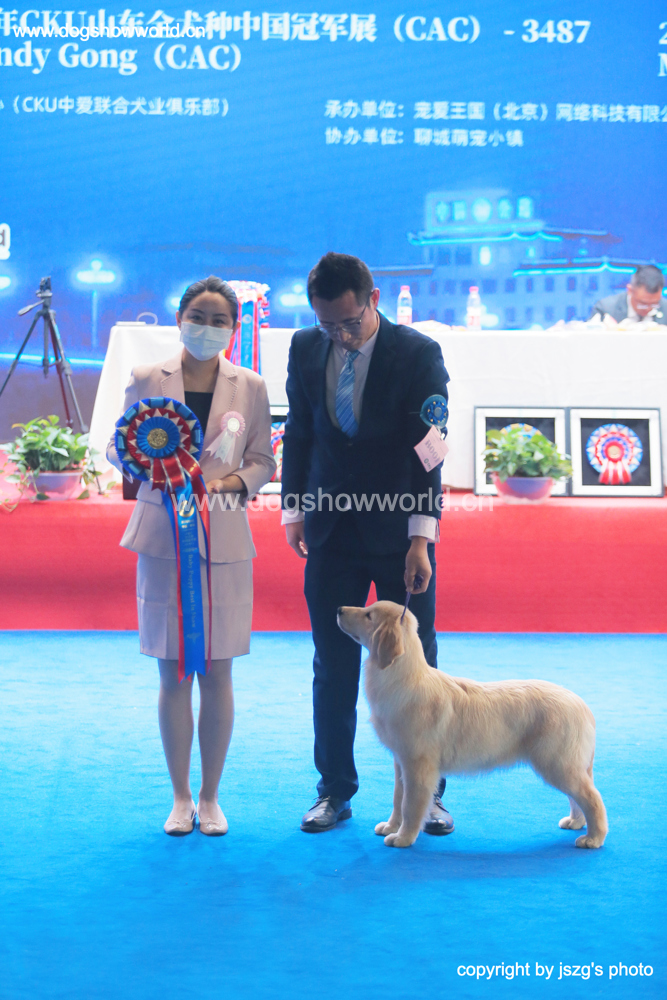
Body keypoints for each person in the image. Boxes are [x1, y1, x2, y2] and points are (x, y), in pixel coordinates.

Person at [281, 251, 454, 834]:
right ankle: (334, 790)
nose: (340, 335)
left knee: (417, 662)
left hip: (399, 532)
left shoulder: (418, 353)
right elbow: (299, 433)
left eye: (350, 322)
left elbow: (430, 451)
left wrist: (421, 540)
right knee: (332, 664)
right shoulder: (306, 347)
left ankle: (428, 793)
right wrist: (294, 509)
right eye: (328, 324)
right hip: (330, 528)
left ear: (374, 300)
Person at [107, 276, 276, 836]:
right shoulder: (145, 378)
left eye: (218, 320)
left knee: (219, 672)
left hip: (224, 539)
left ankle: (210, 797)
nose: (207, 328)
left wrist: (224, 486)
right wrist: (151, 468)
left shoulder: (251, 386)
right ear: (180, 319)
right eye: (197, 317)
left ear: (234, 327)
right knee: (173, 673)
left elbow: (262, 460)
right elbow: (117, 445)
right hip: (161, 539)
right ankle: (180, 796)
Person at [591, 265, 666, 325]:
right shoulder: (605, 309)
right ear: (630, 290)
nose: (648, 308)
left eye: (654, 304)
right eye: (642, 303)